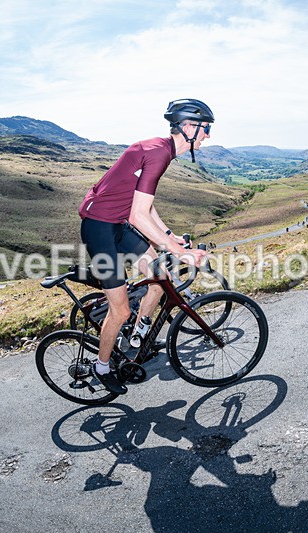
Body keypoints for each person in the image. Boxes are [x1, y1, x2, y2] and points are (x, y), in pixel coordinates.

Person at [77, 98, 212, 394]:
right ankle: (102, 367)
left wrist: (168, 235)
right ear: (188, 127)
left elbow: (144, 206)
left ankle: (138, 337)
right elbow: (139, 215)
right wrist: (181, 252)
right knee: (121, 310)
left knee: (159, 277)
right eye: (205, 129)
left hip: (118, 224)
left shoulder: (162, 151)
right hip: (99, 228)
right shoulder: (157, 153)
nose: (207, 136)